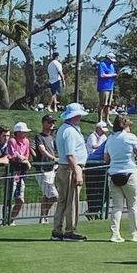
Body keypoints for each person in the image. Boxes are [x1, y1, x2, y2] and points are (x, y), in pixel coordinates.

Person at [103, 112, 137, 244]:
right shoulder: (131, 137)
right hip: (130, 172)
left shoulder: (110, 138)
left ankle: (115, 234)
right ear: (126, 125)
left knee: (117, 207)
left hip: (114, 173)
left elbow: (106, 158)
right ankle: (134, 233)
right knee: (132, 206)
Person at [53, 102, 88, 242]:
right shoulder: (70, 132)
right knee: (71, 201)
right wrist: (77, 172)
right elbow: (70, 154)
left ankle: (57, 230)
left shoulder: (64, 129)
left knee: (63, 200)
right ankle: (69, 230)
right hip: (70, 168)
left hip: (65, 168)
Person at [33, 115, 59, 226]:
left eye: (52, 122)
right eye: (49, 122)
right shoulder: (39, 137)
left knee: (47, 195)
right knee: (54, 196)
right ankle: (43, 216)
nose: (51, 124)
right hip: (42, 170)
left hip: (51, 169)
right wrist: (54, 158)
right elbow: (42, 151)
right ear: (44, 123)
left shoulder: (51, 138)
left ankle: (43, 217)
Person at [6, 122, 32, 223]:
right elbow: (13, 155)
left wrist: (24, 159)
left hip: (22, 173)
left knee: (20, 199)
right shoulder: (12, 141)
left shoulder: (26, 141)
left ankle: (11, 219)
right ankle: (6, 218)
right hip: (13, 173)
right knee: (9, 198)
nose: (25, 134)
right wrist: (23, 159)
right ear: (17, 132)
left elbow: (26, 155)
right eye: (23, 132)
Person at [83, 121, 110, 220]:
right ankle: (92, 210)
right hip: (91, 162)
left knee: (104, 191)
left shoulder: (104, 137)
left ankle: (94, 210)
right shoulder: (92, 136)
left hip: (101, 164)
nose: (103, 132)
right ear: (98, 128)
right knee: (92, 190)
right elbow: (94, 146)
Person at [96, 52, 118, 117]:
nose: (112, 62)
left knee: (108, 104)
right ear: (107, 58)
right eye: (111, 60)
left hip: (110, 87)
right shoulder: (102, 64)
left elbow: (112, 74)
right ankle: (100, 120)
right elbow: (102, 75)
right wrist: (112, 75)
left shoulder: (112, 66)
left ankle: (107, 119)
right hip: (104, 87)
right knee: (103, 104)